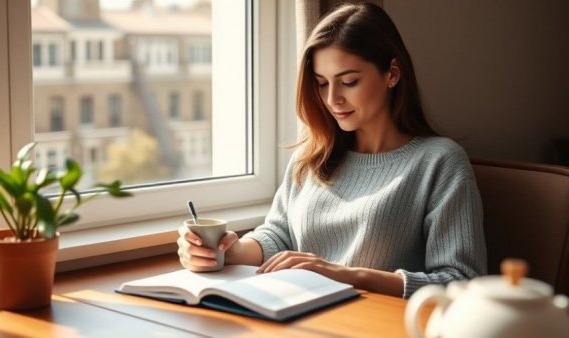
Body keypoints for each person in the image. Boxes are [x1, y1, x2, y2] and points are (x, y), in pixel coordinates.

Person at [177, 1, 487, 299]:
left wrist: (346, 275)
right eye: (322, 83)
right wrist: (226, 252)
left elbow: (462, 282)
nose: (332, 99)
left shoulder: (440, 162)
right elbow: (278, 235)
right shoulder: (311, 157)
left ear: (392, 73)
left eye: (349, 81)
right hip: (296, 318)